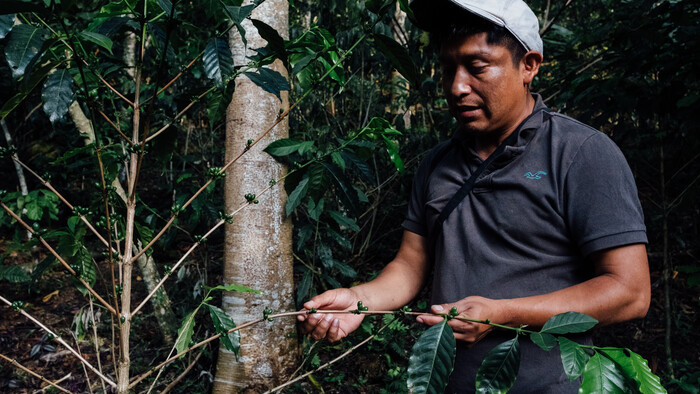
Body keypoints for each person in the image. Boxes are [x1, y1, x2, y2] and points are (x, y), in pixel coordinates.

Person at [297, 0, 651, 392]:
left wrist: (501, 313)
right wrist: (358, 300)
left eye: (477, 67)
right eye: (448, 69)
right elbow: (410, 265)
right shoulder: (437, 164)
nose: (456, 87)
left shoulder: (581, 153)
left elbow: (630, 292)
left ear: (529, 65)